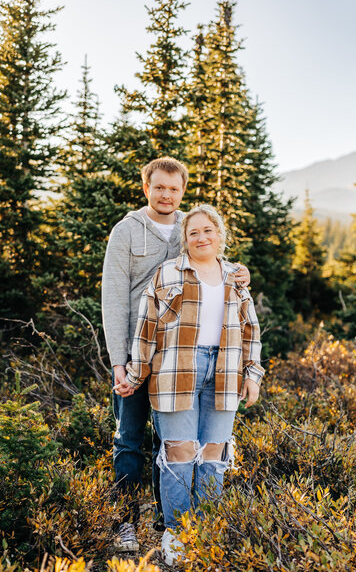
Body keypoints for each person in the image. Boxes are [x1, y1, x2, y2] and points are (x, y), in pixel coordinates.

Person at [101, 158, 250, 552]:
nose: (167, 195)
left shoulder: (190, 226)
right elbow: (114, 298)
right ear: (146, 187)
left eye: (174, 188)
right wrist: (120, 361)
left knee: (175, 441)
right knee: (130, 439)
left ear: (182, 190)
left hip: (179, 358)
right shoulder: (127, 232)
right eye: (159, 187)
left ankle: (166, 521)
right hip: (138, 354)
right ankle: (125, 522)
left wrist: (240, 272)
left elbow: (211, 259)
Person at [124, 204, 265, 565]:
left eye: (208, 231)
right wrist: (135, 374)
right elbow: (146, 328)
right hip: (175, 371)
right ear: (185, 240)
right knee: (178, 453)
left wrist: (253, 375)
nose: (201, 237)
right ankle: (178, 533)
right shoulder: (166, 274)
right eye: (193, 233)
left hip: (226, 370)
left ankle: (206, 532)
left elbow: (251, 329)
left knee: (214, 455)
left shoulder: (235, 276)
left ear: (220, 235)